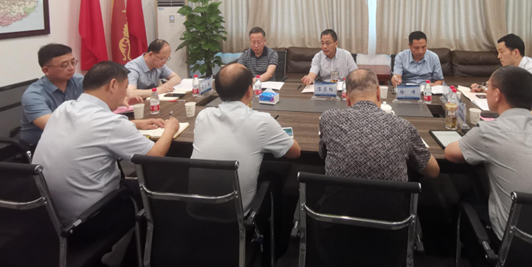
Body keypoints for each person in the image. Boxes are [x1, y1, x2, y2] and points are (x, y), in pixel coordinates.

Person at [32, 61, 179, 227]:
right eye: (125, 88)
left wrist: (136, 123)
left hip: (49, 214)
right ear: (113, 85)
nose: (125, 95)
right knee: (162, 186)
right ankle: (148, 240)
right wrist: (170, 129)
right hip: (92, 217)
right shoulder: (112, 123)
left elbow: (89, 128)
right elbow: (154, 156)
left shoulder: (64, 108)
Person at [445, 66, 532, 241]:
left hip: (516, 244)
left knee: (466, 200)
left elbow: (450, 153)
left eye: (488, 87)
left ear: (497, 94)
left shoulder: (489, 131)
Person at [192, 63, 301, 213]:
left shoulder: (203, 116)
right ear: (250, 91)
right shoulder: (262, 121)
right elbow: (295, 152)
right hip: (237, 217)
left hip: (196, 209)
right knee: (275, 176)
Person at [319, 68, 440, 180]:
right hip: (392, 197)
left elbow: (323, 155)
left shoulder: (328, 119)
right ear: (378, 92)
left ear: (347, 98)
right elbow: (433, 171)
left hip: (338, 197)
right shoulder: (403, 127)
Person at [472, 34, 532, 125]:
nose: (498, 56)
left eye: (501, 52)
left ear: (515, 52)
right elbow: (503, 89)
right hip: (531, 116)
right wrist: (483, 88)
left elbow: (512, 98)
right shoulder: (514, 69)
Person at [19, 44, 84, 145]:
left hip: (71, 139)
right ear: (46, 70)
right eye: (64, 65)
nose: (71, 68)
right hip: (39, 145)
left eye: (73, 62)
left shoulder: (78, 81)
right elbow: (53, 126)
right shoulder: (33, 95)